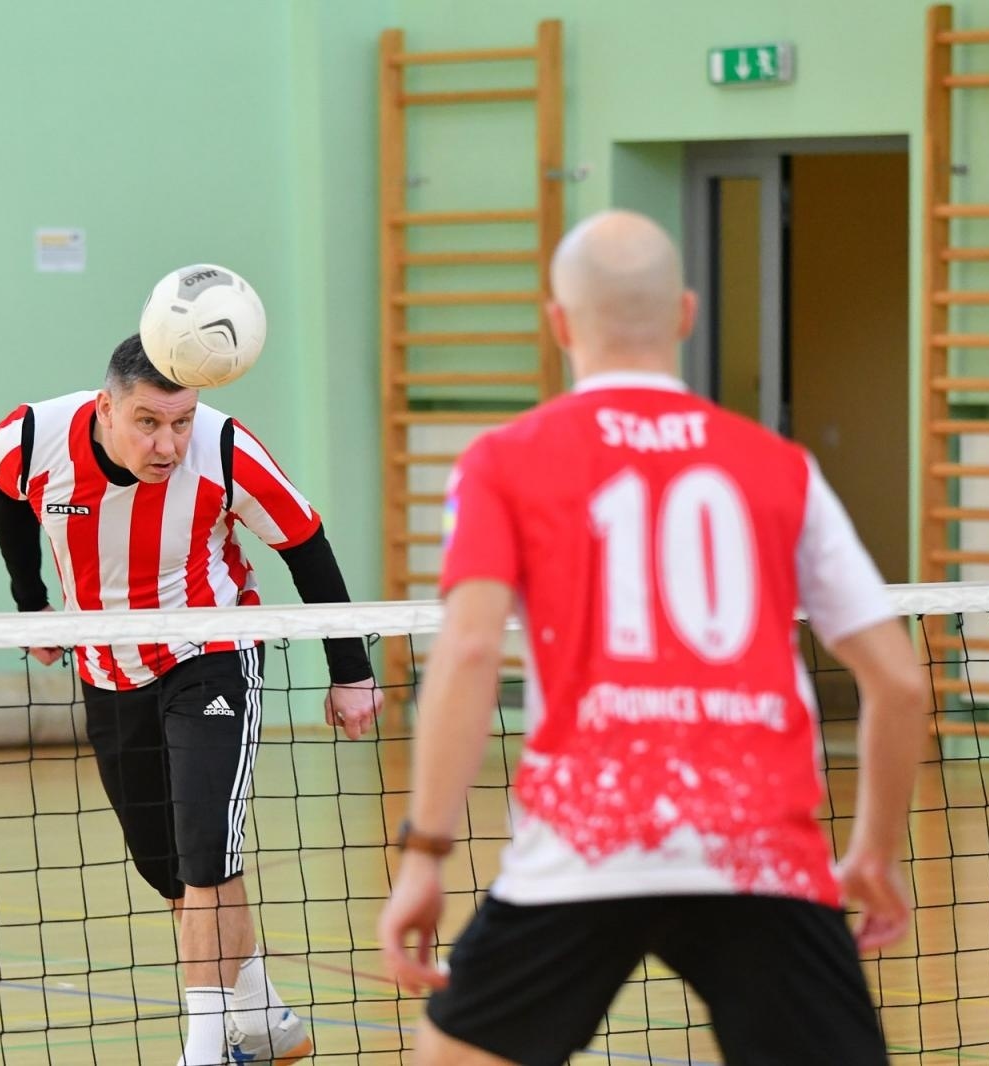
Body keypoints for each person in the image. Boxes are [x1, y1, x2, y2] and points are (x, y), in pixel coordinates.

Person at [376, 210, 929, 1065]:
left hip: (585, 842)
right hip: (758, 849)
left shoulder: (501, 460)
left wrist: (425, 854)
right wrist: (875, 853)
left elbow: (471, 651)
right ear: (685, 313)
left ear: (558, 323)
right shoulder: (779, 465)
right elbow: (898, 681)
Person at [0, 334, 382, 1066]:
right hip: (107, 668)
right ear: (105, 407)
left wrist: (351, 671)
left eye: (181, 421)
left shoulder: (226, 450)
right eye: (147, 422)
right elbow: (8, 503)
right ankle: (265, 1020)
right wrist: (30, 604)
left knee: (206, 853)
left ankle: (203, 1050)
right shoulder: (33, 439)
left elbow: (306, 544)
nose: (167, 443)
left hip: (212, 655)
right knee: (172, 870)